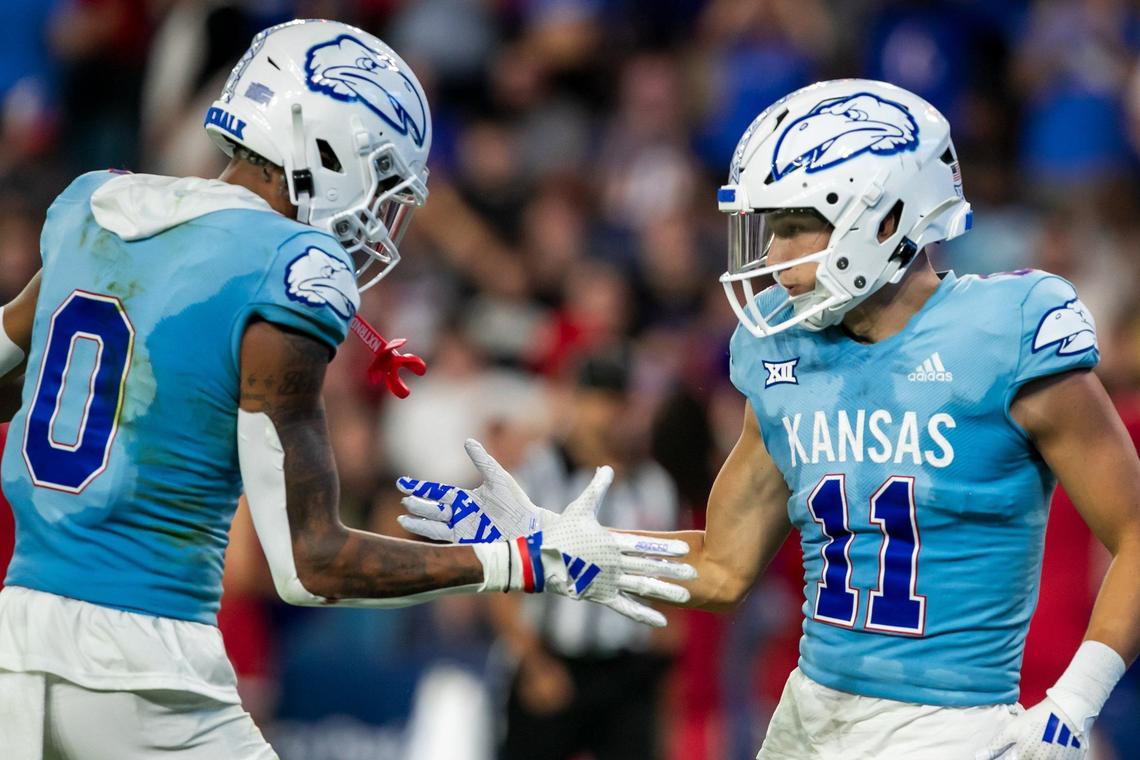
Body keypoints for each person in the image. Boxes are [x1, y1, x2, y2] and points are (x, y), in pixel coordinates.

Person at [0, 19, 692, 759]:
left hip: (16, 640)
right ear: (323, 144)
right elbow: (310, 564)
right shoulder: (288, 263)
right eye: (383, 178)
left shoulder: (96, 206)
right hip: (146, 667)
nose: (380, 215)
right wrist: (521, 560)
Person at [397, 79, 1140, 759]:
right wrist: (556, 548)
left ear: (884, 217)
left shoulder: (1003, 330)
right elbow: (723, 564)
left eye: (794, 226)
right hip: (808, 713)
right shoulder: (784, 350)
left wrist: (1075, 702)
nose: (774, 257)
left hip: (951, 726)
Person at [490, 352, 683, 760]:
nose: (606, 414)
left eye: (617, 402)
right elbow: (498, 577)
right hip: (551, 660)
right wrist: (533, 662)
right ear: (576, 402)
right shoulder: (538, 476)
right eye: (598, 400)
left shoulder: (654, 485)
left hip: (627, 672)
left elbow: (669, 586)